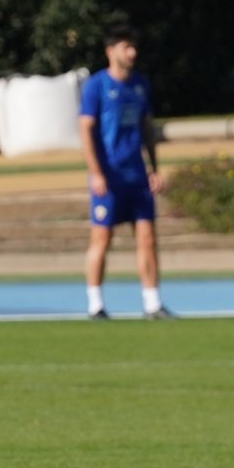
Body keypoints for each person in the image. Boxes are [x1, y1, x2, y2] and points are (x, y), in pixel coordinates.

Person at [78, 25, 171, 320]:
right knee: (101, 239)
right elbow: (85, 129)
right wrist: (96, 172)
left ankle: (152, 303)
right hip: (110, 177)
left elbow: (146, 129)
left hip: (136, 178)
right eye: (125, 47)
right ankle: (95, 304)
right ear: (111, 51)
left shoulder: (140, 85)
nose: (132, 53)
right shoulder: (96, 86)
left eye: (133, 47)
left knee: (147, 238)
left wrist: (153, 169)